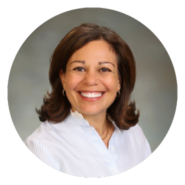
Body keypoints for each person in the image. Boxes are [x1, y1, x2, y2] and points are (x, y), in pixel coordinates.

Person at [24, 23, 152, 177]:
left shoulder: (134, 134)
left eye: (104, 69)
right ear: (63, 78)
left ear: (119, 81)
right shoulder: (41, 147)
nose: (91, 80)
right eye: (79, 68)